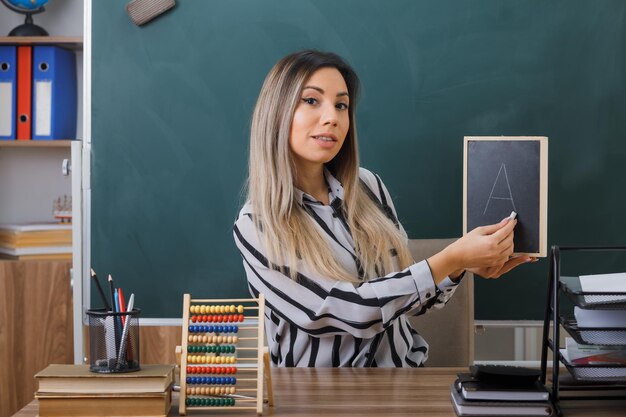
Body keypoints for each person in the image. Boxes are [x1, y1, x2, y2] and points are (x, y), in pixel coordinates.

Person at [233, 50, 533, 367]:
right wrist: (451, 257)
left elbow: (408, 299)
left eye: (341, 105)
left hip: (404, 381)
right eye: (311, 100)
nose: (332, 117)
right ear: (276, 113)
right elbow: (346, 311)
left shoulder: (368, 187)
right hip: (317, 399)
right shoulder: (257, 225)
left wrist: (459, 267)